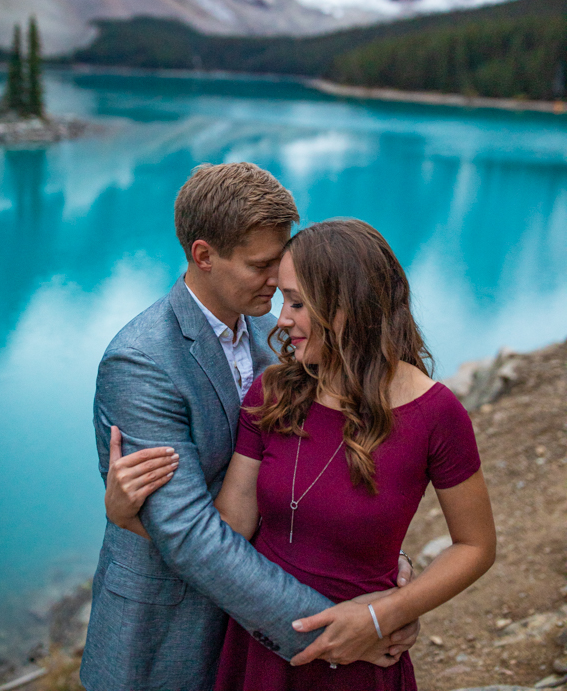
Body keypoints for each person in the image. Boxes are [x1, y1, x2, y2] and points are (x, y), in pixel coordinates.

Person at [107, 218, 496, 690]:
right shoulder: (272, 392)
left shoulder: (437, 413)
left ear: (347, 305)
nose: (280, 317)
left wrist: (386, 614)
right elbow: (226, 532)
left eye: (296, 302)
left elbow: (475, 546)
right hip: (259, 649)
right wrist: (131, 517)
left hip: (362, 662)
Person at [81, 164, 418, 691]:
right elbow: (189, 533)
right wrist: (339, 627)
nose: (278, 283)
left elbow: (327, 461)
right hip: (168, 631)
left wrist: (379, 581)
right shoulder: (141, 362)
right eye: (261, 266)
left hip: (257, 633)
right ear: (204, 255)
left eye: (280, 263)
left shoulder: (279, 329)